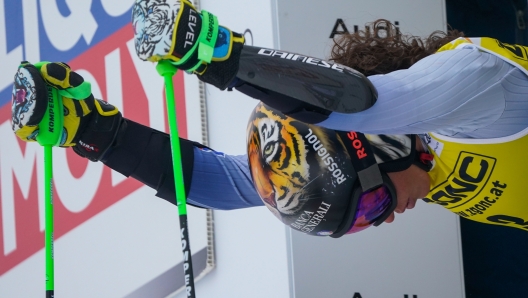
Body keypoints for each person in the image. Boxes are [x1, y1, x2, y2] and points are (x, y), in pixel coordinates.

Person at [11, 0, 528, 237]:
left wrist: (220, 57)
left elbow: (376, 103)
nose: (385, 217)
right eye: (370, 215)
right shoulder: (404, 158)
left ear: (382, 144)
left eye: (371, 203)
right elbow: (223, 183)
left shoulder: (482, 93)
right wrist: (98, 135)